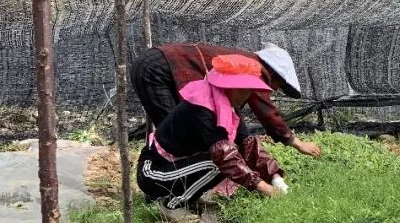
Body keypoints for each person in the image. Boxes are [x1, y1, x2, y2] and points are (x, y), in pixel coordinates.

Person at [137, 54, 288, 218]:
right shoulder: (203, 108)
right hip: (154, 171)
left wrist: (276, 179)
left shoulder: (226, 107)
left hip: (180, 168)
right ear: (230, 87)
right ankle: (172, 204)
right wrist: (266, 189)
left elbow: (248, 145)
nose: (246, 94)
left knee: (228, 157)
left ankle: (190, 199)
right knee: (219, 163)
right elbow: (224, 158)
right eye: (243, 89)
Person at [130, 41, 322, 159]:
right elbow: (267, 113)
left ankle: (175, 185)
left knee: (175, 131)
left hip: (152, 63)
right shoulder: (253, 69)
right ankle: (167, 192)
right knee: (175, 136)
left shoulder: (245, 61)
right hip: (157, 69)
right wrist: (297, 143)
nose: (275, 89)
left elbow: (233, 117)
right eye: (279, 84)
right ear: (272, 72)